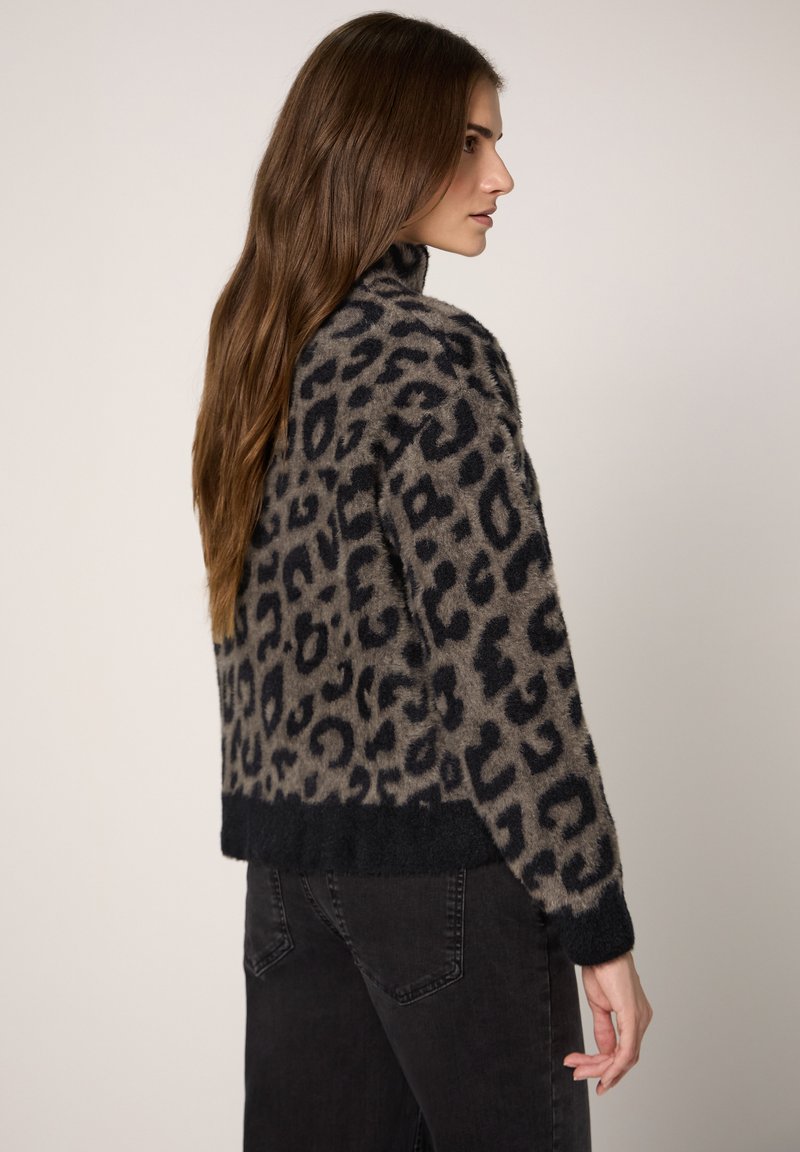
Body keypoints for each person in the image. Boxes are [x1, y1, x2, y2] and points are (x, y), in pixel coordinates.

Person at [192, 12, 652, 1151]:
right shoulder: (431, 356)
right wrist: (596, 925)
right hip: (445, 875)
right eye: (467, 142)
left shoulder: (262, 353)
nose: (501, 176)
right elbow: (508, 668)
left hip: (289, 873)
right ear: (377, 149)